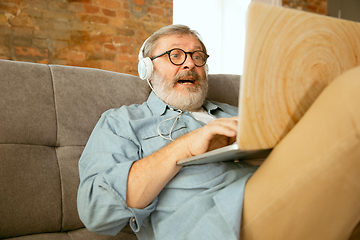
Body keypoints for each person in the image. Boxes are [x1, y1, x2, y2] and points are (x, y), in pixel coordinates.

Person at [77, 24, 360, 240]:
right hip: (219, 223)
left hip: (284, 190)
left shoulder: (236, 112)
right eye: (175, 55)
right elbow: (97, 212)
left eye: (197, 56)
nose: (189, 63)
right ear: (146, 69)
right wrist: (185, 147)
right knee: (354, 89)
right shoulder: (123, 121)